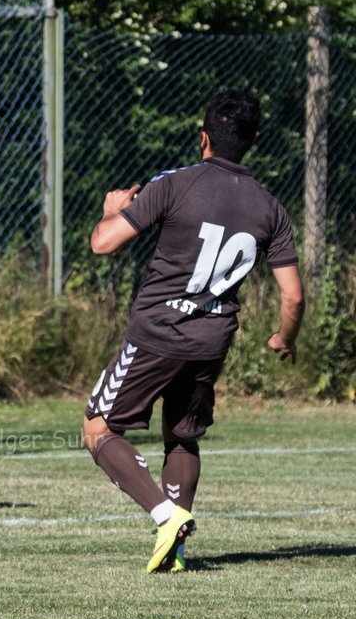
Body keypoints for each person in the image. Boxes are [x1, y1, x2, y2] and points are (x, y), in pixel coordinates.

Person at [82, 90, 304, 573]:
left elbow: (104, 243)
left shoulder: (176, 183)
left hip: (157, 334)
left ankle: (166, 516)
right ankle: (175, 550)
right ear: (250, 143)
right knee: (182, 434)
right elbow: (293, 297)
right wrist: (283, 338)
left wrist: (109, 209)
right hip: (211, 342)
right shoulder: (271, 208)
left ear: (204, 137)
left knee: (98, 428)